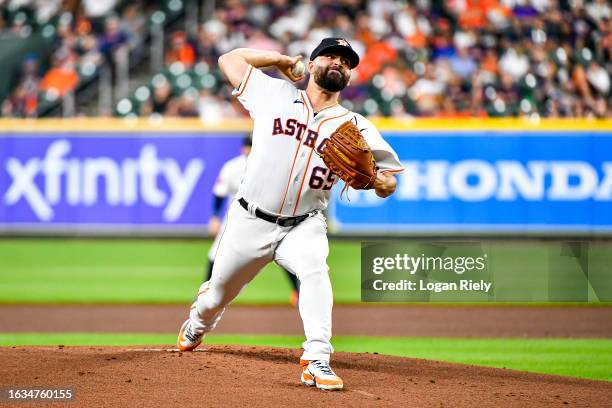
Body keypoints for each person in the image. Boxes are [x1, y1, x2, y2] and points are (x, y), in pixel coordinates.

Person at [177, 38, 403, 391]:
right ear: (311, 65)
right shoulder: (274, 94)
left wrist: (378, 180)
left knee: (315, 272)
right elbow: (228, 59)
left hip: (305, 223)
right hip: (249, 220)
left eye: (346, 62)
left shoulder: (355, 125)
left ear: (349, 75)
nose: (338, 63)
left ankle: (317, 360)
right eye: (329, 56)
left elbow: (389, 181)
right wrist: (278, 60)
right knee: (216, 296)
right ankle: (198, 321)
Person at [206, 135, 300, 306]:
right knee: (216, 252)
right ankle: (207, 293)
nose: (250, 149)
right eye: (248, 146)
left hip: (268, 218)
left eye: (253, 145)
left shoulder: (272, 166)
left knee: (284, 254)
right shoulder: (232, 167)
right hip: (236, 217)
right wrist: (214, 217)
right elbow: (219, 193)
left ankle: (298, 292)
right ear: (243, 148)